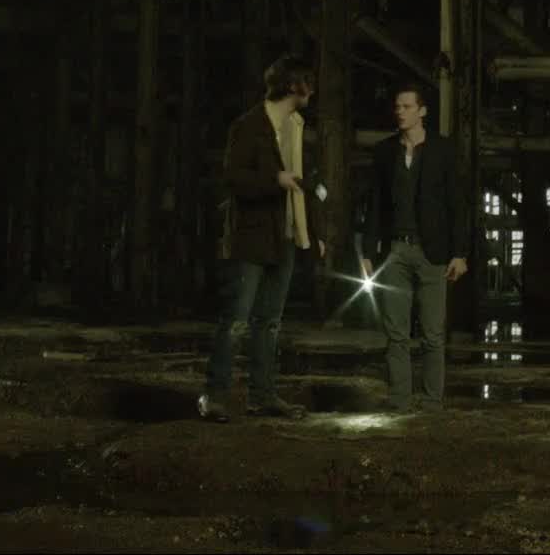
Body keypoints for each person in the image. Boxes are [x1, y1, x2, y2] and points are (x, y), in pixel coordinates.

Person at [200, 56, 327, 422]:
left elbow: (304, 183)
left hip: (284, 236)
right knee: (237, 320)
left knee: (269, 322)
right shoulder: (249, 125)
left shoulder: (296, 126)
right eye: (307, 82)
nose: (312, 90)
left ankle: (263, 396)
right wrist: (274, 180)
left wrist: (313, 233)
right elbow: (233, 178)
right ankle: (214, 396)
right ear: (293, 85)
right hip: (251, 238)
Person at [356, 83, 472, 411]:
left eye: (407, 107)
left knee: (433, 334)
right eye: (397, 107)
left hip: (432, 252)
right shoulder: (385, 152)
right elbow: (375, 205)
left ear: (422, 111)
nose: (400, 112)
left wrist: (460, 253)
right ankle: (400, 401)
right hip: (395, 251)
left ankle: (432, 401)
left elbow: (458, 204)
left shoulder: (444, 150)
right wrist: (368, 252)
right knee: (396, 334)